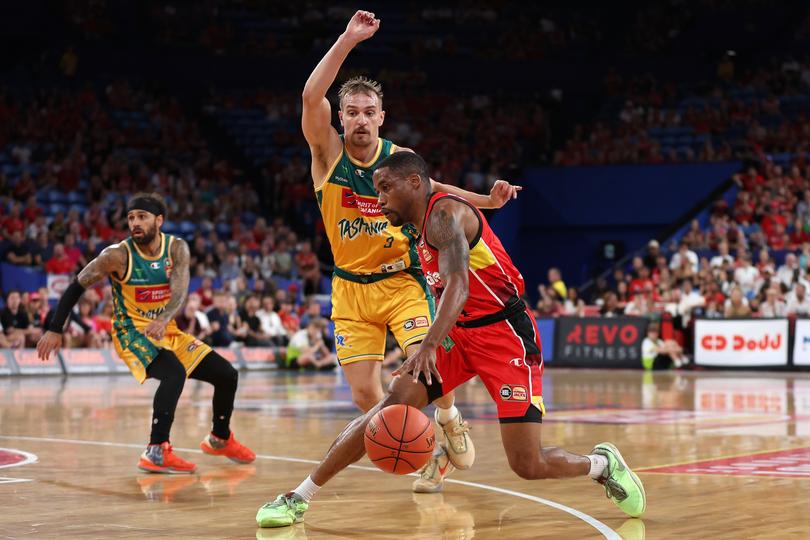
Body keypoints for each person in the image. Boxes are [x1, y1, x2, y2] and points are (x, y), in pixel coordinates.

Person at [255, 152, 645, 528]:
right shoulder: (417, 220)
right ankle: (299, 496)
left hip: (505, 335)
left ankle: (601, 465)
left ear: (413, 183)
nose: (379, 199)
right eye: (377, 190)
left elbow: (458, 286)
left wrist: (427, 345)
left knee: (528, 464)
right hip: (460, 335)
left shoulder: (443, 215)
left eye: (385, 189)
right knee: (393, 404)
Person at [300, 10, 519, 491]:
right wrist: (348, 39)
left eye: (368, 112)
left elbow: (437, 187)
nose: (360, 119)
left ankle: (450, 418)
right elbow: (310, 95)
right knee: (366, 397)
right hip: (350, 291)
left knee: (426, 366)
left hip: (402, 282)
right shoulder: (328, 156)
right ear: (341, 117)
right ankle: (425, 451)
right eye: (351, 111)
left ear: (382, 117)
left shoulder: (398, 163)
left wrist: (487, 200)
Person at [36, 193, 255, 473]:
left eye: (142, 217)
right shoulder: (116, 255)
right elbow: (77, 285)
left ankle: (220, 438)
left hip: (166, 329)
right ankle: (156, 450)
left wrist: (164, 319)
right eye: (131, 218)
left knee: (227, 375)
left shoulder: (177, 249)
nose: (135, 223)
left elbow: (180, 291)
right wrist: (55, 328)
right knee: (174, 373)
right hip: (131, 333)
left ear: (159, 221)